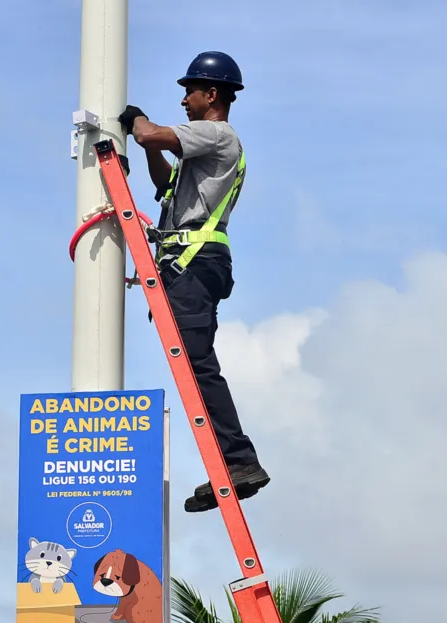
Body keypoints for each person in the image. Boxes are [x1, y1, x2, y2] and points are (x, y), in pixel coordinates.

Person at [118, 51, 270, 513]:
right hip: (196, 260)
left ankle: (239, 460)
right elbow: (165, 185)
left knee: (197, 364)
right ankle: (232, 464)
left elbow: (150, 132)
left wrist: (136, 122)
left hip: (194, 260)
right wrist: (148, 146)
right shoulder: (202, 151)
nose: (184, 99)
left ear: (213, 95)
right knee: (196, 362)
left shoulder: (217, 133)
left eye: (191, 91)